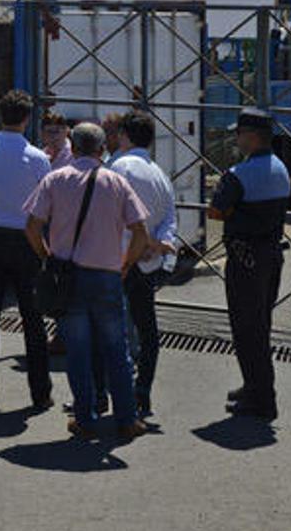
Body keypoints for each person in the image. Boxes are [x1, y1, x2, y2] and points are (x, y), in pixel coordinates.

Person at [23, 122, 151, 441]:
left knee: (77, 352)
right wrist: (125, 264)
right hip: (107, 274)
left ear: (74, 146)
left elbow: (31, 227)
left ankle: (85, 418)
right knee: (116, 350)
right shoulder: (117, 182)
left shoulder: (55, 180)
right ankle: (127, 419)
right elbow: (140, 232)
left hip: (68, 275)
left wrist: (48, 256)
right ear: (101, 149)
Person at [0, 89, 53, 410]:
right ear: (27, 118)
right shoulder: (38, 158)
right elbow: (46, 204)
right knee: (33, 318)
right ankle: (40, 392)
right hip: (25, 240)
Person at [208, 108, 291, 420]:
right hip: (272, 255)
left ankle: (261, 398)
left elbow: (216, 211)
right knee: (260, 325)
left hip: (245, 257)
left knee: (246, 328)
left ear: (252, 136)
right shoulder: (280, 168)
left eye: (239, 133)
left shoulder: (238, 174)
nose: (236, 138)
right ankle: (254, 385)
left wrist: (233, 213)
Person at [107, 110, 178, 415]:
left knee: (112, 330)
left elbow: (109, 212)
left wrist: (142, 241)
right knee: (147, 330)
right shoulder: (160, 174)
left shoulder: (118, 165)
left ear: (124, 135)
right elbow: (170, 220)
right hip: (147, 262)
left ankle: (110, 394)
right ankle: (142, 391)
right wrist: (157, 244)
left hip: (117, 259)